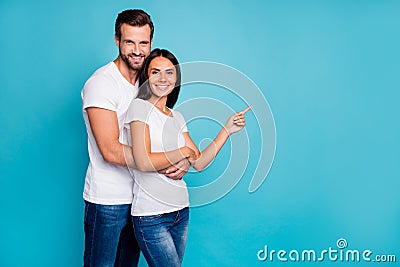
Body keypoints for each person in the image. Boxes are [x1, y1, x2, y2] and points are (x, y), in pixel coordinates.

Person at [81, 10, 190, 267]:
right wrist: (169, 160)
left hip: (141, 202)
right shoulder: (102, 84)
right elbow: (110, 150)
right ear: (117, 40)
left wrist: (185, 159)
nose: (137, 50)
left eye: (143, 43)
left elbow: (166, 136)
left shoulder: (148, 84)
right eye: (130, 42)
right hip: (108, 201)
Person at [123, 48, 251, 267]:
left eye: (169, 73)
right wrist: (183, 153)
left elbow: (199, 162)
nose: (163, 78)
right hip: (151, 216)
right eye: (155, 72)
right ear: (146, 77)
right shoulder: (139, 108)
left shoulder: (176, 116)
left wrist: (227, 130)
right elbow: (143, 161)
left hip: (180, 212)